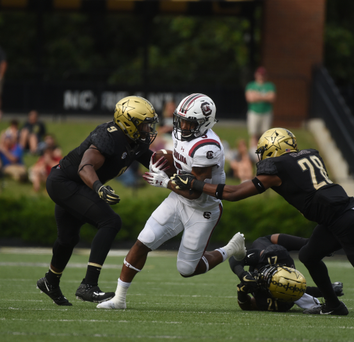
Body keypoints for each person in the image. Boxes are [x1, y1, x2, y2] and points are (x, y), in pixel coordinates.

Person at [172, 127, 354, 315]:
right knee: (309, 255)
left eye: (263, 151)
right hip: (339, 218)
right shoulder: (307, 156)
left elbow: (234, 194)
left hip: (345, 221)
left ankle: (335, 303)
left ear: (273, 148)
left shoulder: (276, 169)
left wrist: (196, 184)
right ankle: (334, 305)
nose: (261, 158)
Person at [97, 93, 247, 310]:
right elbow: (178, 159)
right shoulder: (181, 133)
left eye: (189, 122)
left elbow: (195, 191)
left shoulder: (208, 148)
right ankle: (119, 299)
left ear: (204, 123)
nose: (183, 126)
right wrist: (160, 159)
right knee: (143, 240)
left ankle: (230, 249)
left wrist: (165, 182)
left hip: (202, 208)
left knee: (187, 269)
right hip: (178, 199)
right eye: (181, 120)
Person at [36, 95, 159, 306]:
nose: (148, 130)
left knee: (68, 238)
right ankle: (88, 286)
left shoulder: (135, 142)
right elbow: (85, 167)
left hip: (77, 186)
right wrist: (98, 188)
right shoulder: (109, 136)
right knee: (110, 222)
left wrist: (184, 172)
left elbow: (155, 161)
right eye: (144, 124)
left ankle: (50, 281)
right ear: (128, 123)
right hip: (65, 183)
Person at [230, 234, 344, 312]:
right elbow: (237, 258)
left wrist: (242, 293)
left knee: (288, 288)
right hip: (270, 244)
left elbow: (248, 305)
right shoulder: (277, 256)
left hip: (270, 253)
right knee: (308, 245)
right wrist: (326, 291)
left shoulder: (279, 303)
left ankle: (313, 245)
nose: (263, 277)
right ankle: (314, 244)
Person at [245, 67, 276, 161]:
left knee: (264, 135)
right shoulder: (251, 85)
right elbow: (250, 98)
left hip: (266, 113)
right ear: (256, 75)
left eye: (262, 75)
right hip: (254, 112)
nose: (261, 76)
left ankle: (263, 155)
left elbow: (272, 98)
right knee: (253, 134)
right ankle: (253, 155)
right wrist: (264, 96)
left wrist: (257, 96)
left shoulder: (270, 85)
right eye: (259, 74)